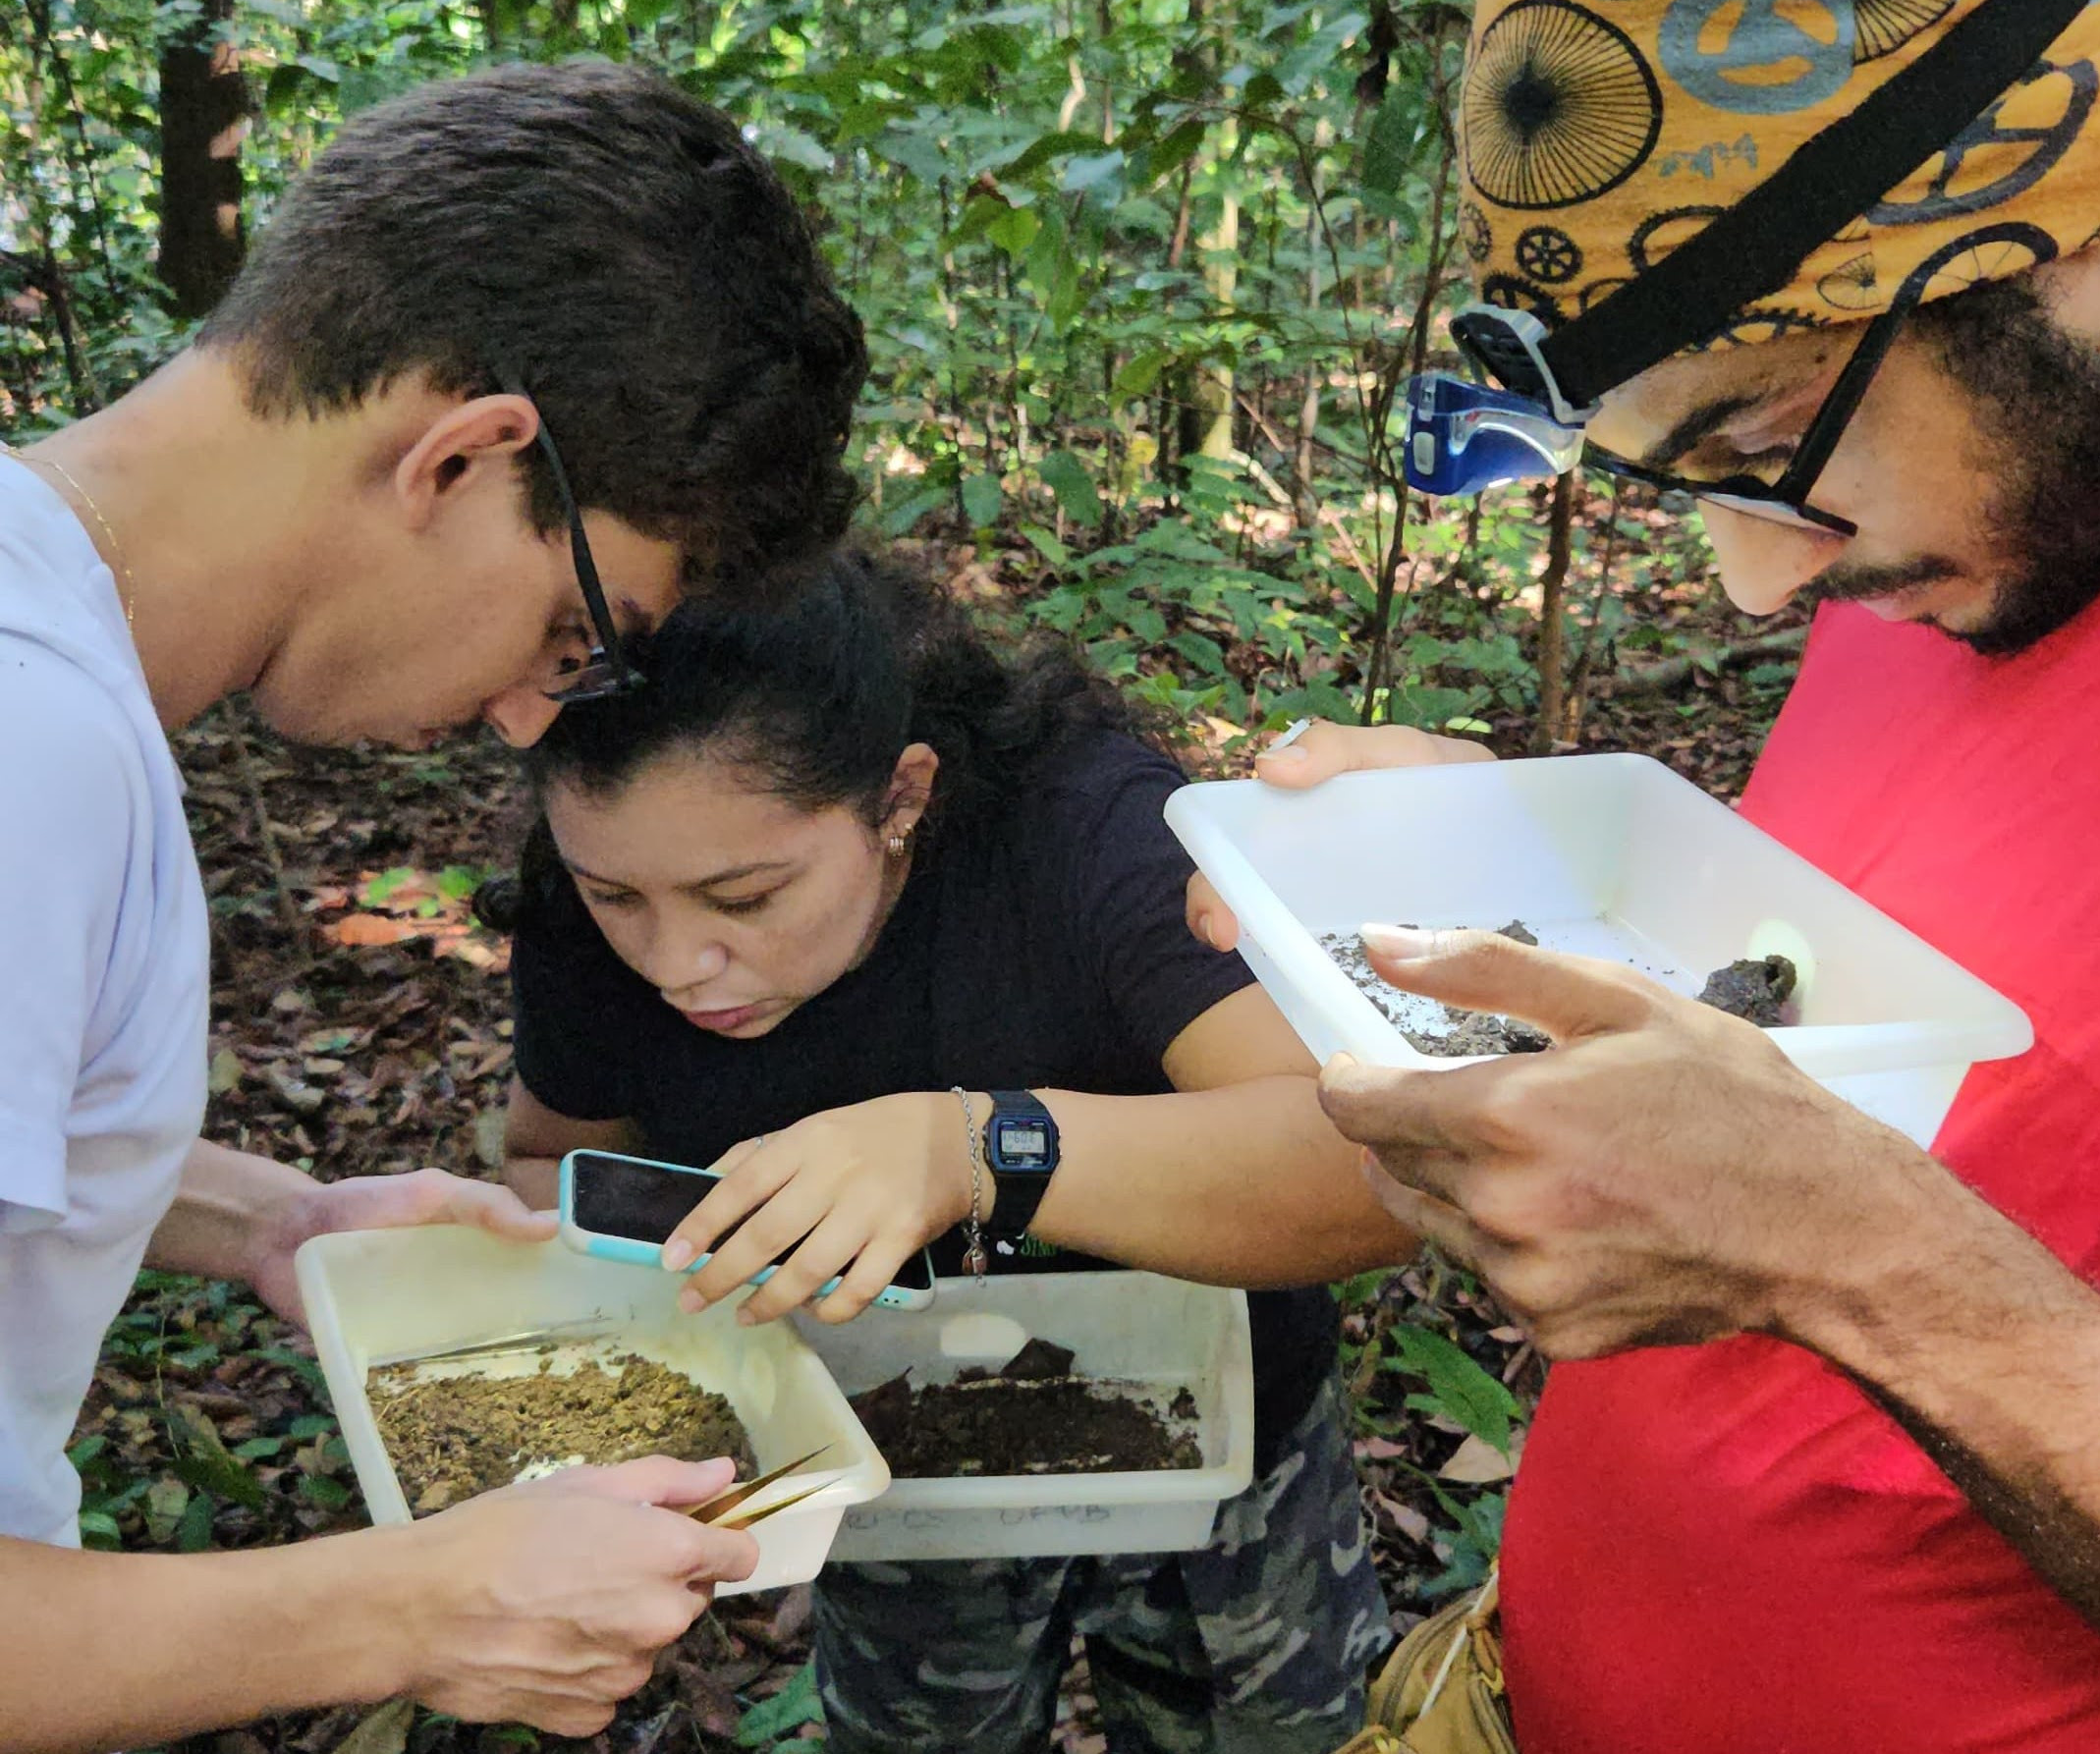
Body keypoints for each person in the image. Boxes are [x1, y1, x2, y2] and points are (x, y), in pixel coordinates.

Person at [1192, 0, 2100, 1744]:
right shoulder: (1983, 531)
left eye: (1758, 437)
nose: (1753, 585)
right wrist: (1524, 855)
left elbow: (1882, 1213)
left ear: (2072, 209)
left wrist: (1858, 1260)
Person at [1, 57, 867, 1747]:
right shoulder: (29, 749)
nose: (534, 714)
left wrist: (260, 1216)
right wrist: (408, 1602)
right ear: (467, 458)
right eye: (575, 636)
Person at [491, 552, 1412, 1754]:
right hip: (889, 1459)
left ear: (901, 796)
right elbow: (551, 1159)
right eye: (618, 897)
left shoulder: (1085, 835)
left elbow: (1364, 1160)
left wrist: (973, 1150)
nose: (675, 963)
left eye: (746, 896)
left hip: (1213, 1437)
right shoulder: (578, 917)